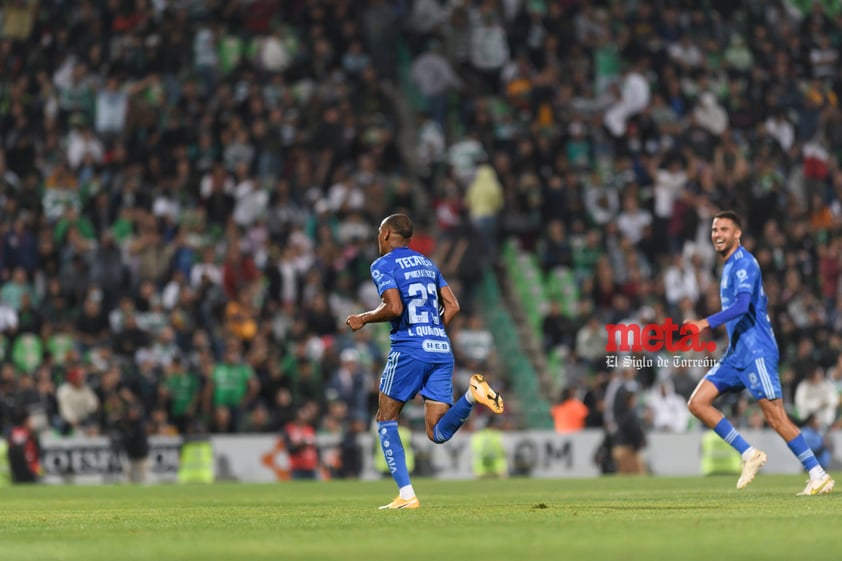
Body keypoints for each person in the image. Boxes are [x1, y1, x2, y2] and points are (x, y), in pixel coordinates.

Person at [345, 214, 504, 509]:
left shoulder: (382, 264)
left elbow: (394, 307)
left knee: (385, 419)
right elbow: (453, 305)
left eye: (380, 231)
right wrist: (432, 333)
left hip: (409, 349)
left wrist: (364, 318)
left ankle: (406, 495)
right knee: (437, 432)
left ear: (387, 234)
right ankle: (471, 394)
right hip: (440, 349)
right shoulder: (428, 264)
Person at [685, 211, 834, 495]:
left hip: (756, 352)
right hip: (736, 353)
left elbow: (742, 307)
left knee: (775, 416)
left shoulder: (744, 264)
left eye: (724, 229)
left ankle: (818, 474)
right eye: (715, 230)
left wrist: (704, 323)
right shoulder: (728, 266)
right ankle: (749, 453)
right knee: (697, 403)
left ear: (737, 234)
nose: (717, 234)